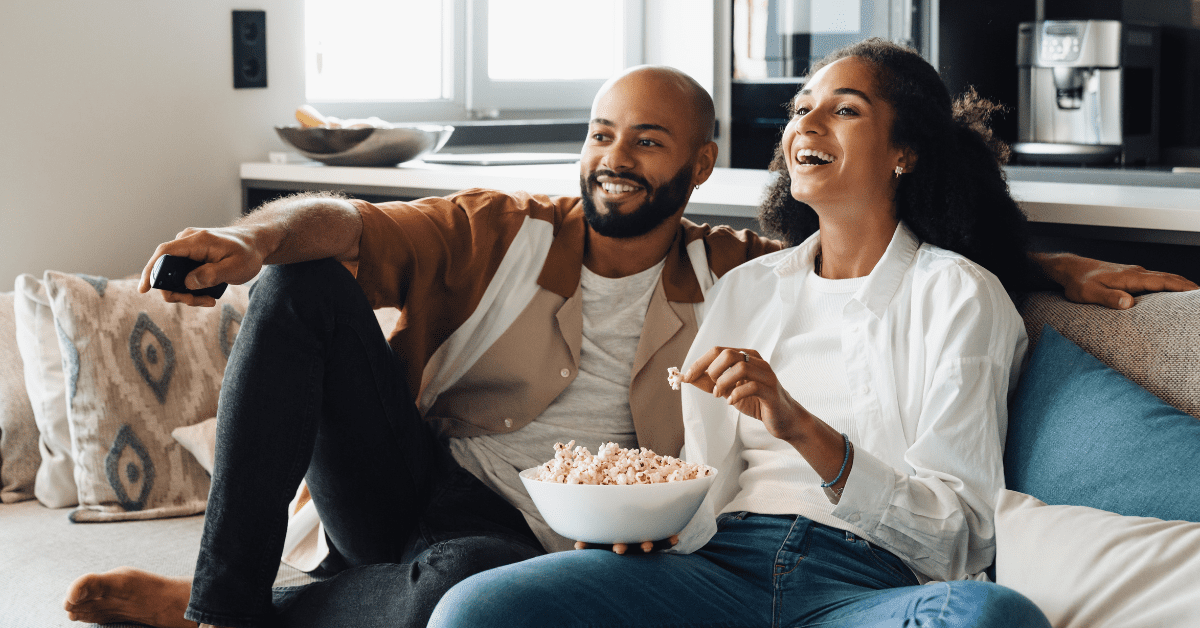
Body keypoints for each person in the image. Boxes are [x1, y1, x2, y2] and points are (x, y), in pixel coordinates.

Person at [64, 59, 1194, 628]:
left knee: (992, 617)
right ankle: (222, 605)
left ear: (697, 166)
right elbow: (347, 225)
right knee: (304, 291)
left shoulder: (767, 276)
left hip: (803, 573)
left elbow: (958, 528)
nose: (613, 156)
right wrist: (250, 241)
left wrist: (1049, 269)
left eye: (647, 140)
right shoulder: (537, 236)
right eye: (603, 133)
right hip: (501, 504)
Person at [424, 40, 1148, 628]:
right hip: (718, 571)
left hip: (867, 588)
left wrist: (801, 426)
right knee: (477, 607)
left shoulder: (960, 297)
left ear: (906, 150)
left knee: (992, 617)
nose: (807, 124)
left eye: (844, 110)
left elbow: (961, 534)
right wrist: (644, 522)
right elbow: (707, 478)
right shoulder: (747, 287)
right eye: (801, 109)